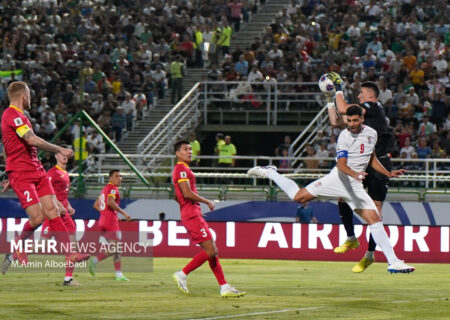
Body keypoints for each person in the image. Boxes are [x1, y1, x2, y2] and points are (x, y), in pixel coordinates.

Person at [248, 106, 414, 274]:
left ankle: (393, 262)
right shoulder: (344, 136)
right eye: (349, 121)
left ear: (362, 119)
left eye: (355, 120)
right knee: (299, 197)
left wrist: (387, 173)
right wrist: (355, 173)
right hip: (338, 179)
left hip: (354, 185)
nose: (352, 124)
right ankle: (271, 172)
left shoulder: (371, 133)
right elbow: (341, 165)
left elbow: (370, 157)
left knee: (375, 220)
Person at [1, 81, 88, 273]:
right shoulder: (11, 115)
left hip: (37, 170)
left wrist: (8, 170)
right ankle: (18, 243)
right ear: (24, 96)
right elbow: (31, 140)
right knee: (39, 217)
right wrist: (60, 149)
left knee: (54, 211)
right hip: (22, 174)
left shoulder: (22, 117)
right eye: (30, 95)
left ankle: (70, 253)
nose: (31, 99)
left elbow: (10, 146)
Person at [327, 74, 398, 273]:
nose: (358, 96)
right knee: (343, 197)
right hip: (362, 162)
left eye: (361, 93)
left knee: (375, 210)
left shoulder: (373, 106)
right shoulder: (364, 117)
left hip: (379, 160)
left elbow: (343, 109)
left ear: (371, 97)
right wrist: (328, 99)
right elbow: (336, 121)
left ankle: (369, 255)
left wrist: (339, 87)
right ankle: (351, 238)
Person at [171, 140, 246, 297]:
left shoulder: (182, 170)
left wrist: (192, 208)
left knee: (213, 251)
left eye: (191, 149)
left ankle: (224, 286)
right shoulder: (181, 169)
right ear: (178, 153)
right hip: (192, 215)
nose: (190, 152)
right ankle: (182, 274)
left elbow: (176, 195)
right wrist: (206, 202)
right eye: (185, 149)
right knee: (211, 250)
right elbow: (186, 193)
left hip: (192, 213)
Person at [90, 169, 131, 281]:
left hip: (102, 221)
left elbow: (95, 205)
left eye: (120, 176)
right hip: (111, 222)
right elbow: (110, 202)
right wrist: (124, 213)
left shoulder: (105, 189)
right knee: (116, 248)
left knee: (116, 248)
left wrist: (104, 213)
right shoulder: (113, 188)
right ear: (110, 178)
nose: (119, 178)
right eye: (116, 176)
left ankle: (118, 274)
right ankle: (96, 261)